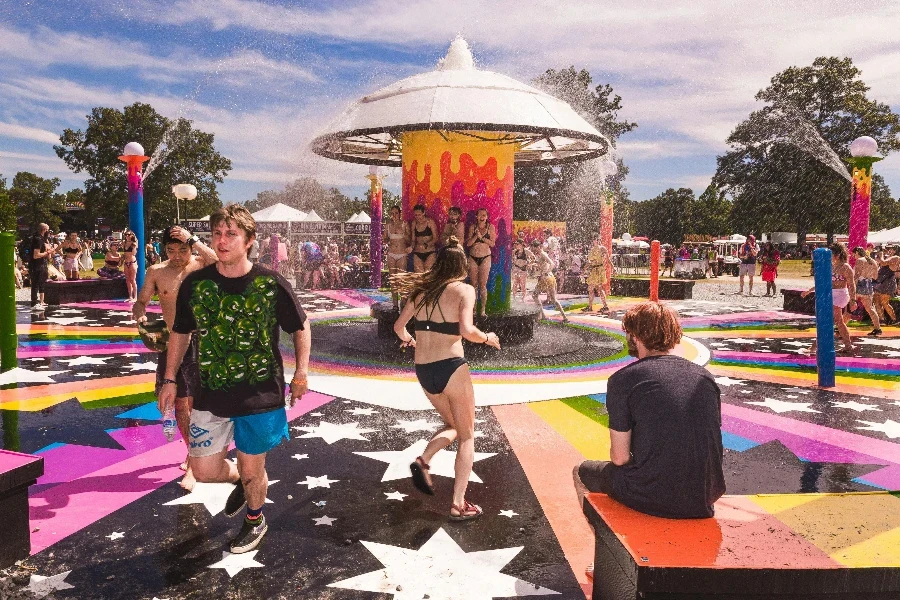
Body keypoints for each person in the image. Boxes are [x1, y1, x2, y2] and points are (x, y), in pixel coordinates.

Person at [159, 204, 311, 554]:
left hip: (259, 394)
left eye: (231, 234)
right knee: (204, 469)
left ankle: (255, 521)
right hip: (210, 393)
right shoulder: (196, 284)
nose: (222, 240)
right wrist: (169, 379)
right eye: (217, 234)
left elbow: (300, 325)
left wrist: (301, 370)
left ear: (249, 241)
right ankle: (241, 481)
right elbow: (181, 332)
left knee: (253, 467)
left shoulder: (269, 283)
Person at [573, 302, 725, 520]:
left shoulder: (624, 380)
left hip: (655, 496)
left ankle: (605, 540)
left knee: (581, 471)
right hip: (705, 495)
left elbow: (619, 458)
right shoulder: (703, 377)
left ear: (635, 336)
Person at [391, 237, 500, 521]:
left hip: (424, 370)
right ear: (462, 266)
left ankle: (423, 460)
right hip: (451, 367)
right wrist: (488, 338)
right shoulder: (464, 290)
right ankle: (458, 504)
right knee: (467, 436)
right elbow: (467, 330)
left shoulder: (421, 291)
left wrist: (411, 339)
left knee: (452, 424)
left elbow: (398, 326)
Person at [134, 226, 217, 489]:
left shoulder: (201, 266)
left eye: (183, 249)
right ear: (163, 249)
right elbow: (142, 301)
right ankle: (193, 455)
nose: (178, 255)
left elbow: (218, 260)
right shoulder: (157, 271)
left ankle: (197, 459)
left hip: (204, 342)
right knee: (180, 405)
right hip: (173, 343)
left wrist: (192, 239)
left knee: (199, 405)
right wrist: (140, 314)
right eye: (171, 250)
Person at [801, 242, 856, 354]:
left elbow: (852, 284)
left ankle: (814, 347)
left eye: (831, 255)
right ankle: (848, 345)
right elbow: (823, 283)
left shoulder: (845, 267)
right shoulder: (830, 266)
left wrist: (853, 300)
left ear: (838, 255)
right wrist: (809, 291)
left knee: (828, 320)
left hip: (841, 294)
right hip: (830, 294)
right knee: (838, 322)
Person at [466, 208, 495, 317]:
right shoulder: (472, 227)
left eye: (484, 215)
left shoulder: (490, 227)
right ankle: (473, 309)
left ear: (487, 217)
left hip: (485, 257)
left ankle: (482, 310)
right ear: (476, 217)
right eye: (480, 215)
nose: (482, 217)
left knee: (482, 285)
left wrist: (481, 237)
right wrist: (475, 236)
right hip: (473, 257)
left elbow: (492, 244)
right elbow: (468, 244)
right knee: (473, 285)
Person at [531, 240, 568, 322]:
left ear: (538, 247)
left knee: (534, 295)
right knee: (553, 300)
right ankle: (565, 317)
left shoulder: (542, 254)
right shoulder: (541, 254)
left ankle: (542, 316)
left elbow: (552, 263)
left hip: (546, 278)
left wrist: (546, 272)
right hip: (549, 278)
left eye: (534, 247)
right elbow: (543, 265)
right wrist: (535, 265)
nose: (533, 249)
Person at [384, 205, 411, 308]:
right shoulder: (388, 225)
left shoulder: (404, 224)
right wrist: (386, 239)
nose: (394, 215)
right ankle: (395, 305)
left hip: (402, 254)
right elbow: (385, 239)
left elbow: (409, 240)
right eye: (392, 213)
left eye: (396, 213)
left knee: (401, 279)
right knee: (393, 279)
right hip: (391, 253)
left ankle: (403, 303)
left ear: (400, 214)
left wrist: (404, 233)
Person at [852, 246, 882, 336]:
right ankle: (878, 328)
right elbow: (876, 277)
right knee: (870, 309)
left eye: (853, 254)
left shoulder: (860, 260)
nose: (853, 256)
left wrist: (852, 287)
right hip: (868, 284)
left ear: (857, 252)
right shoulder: (873, 261)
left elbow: (856, 276)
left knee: (850, 307)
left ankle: (840, 327)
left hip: (859, 284)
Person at [29, 223, 56, 309]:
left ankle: (41, 301)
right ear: (44, 230)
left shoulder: (42, 239)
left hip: (42, 264)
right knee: (35, 284)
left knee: (41, 282)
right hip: (36, 265)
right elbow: (36, 255)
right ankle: (34, 303)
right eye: (48, 230)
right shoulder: (37, 239)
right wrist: (47, 252)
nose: (48, 232)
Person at [584, 236, 610, 314]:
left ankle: (603, 306)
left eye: (598, 240)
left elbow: (608, 259)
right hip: (594, 270)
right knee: (592, 288)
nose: (597, 241)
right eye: (596, 240)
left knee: (597, 288)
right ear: (593, 240)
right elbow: (590, 262)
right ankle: (591, 306)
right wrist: (584, 269)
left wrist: (613, 268)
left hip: (599, 270)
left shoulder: (602, 248)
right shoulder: (592, 250)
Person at [874, 246, 899, 326]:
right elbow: (879, 263)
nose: (889, 250)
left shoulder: (896, 257)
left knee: (884, 303)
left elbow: (883, 262)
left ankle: (894, 319)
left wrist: (880, 254)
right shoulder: (888, 257)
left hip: (888, 283)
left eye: (891, 249)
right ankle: (882, 320)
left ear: (895, 250)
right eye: (888, 249)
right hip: (880, 282)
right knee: (876, 301)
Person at [411, 204, 439, 273]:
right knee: (418, 276)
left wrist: (427, 244)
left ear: (423, 213)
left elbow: (436, 238)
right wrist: (411, 247)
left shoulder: (430, 222)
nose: (417, 217)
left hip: (430, 252)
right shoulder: (414, 223)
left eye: (419, 214)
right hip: (418, 252)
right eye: (416, 215)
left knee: (428, 274)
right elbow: (413, 240)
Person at [122, 231, 139, 302]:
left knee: (132, 279)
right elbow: (124, 253)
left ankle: (135, 297)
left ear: (132, 235)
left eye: (129, 235)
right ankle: (130, 296)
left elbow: (134, 253)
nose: (127, 236)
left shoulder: (134, 243)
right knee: (128, 280)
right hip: (126, 262)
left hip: (132, 262)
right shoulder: (124, 243)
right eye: (126, 235)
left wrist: (134, 246)